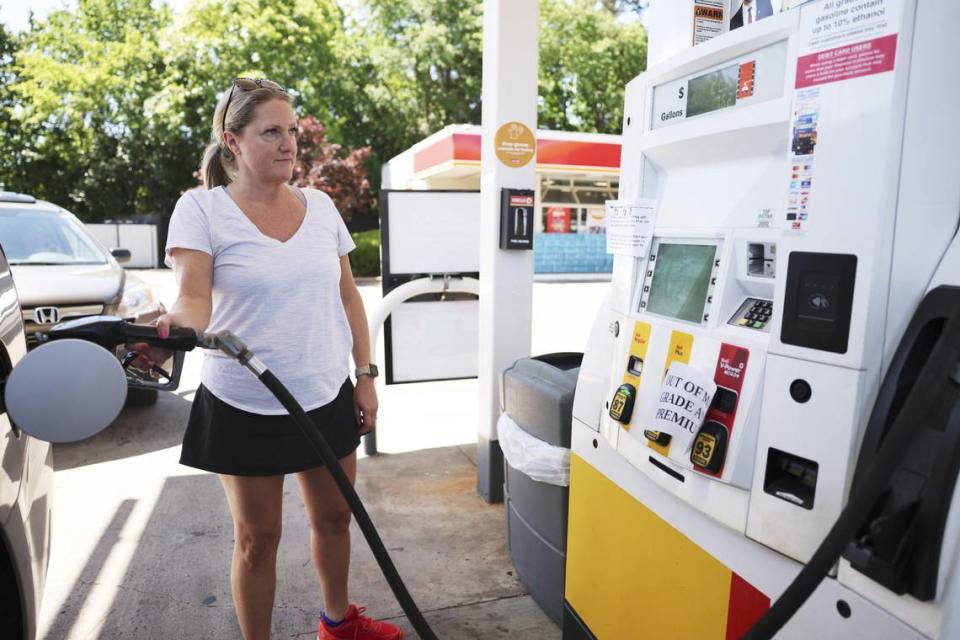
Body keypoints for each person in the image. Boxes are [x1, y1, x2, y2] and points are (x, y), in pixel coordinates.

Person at [140, 78, 402, 640]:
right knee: (259, 542)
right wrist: (168, 329)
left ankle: (337, 624)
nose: (289, 144)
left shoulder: (322, 206)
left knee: (334, 518)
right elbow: (193, 302)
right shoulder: (201, 210)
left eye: (292, 132)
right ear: (232, 141)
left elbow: (349, 297)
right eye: (271, 133)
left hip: (325, 394)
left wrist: (365, 377)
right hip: (244, 402)